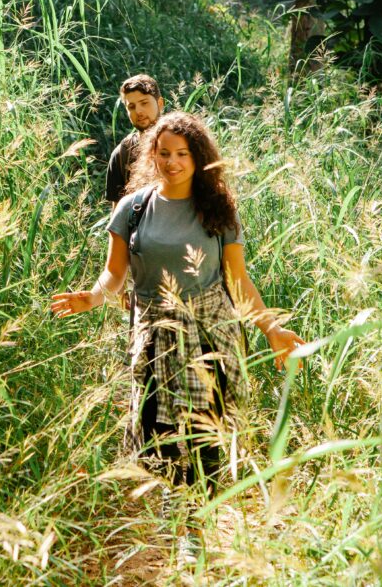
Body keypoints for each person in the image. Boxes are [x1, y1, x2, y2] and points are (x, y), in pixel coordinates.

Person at [52, 111, 304, 494]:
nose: (172, 162)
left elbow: (236, 279)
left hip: (209, 331)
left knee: (206, 434)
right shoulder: (132, 208)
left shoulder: (217, 209)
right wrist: (92, 296)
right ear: (152, 154)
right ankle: (176, 507)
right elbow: (115, 273)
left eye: (182, 154)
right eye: (164, 153)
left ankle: (196, 527)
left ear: (198, 158)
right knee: (159, 431)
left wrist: (271, 328)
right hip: (154, 331)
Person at [106, 74, 164, 206]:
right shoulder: (122, 154)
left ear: (160, 104)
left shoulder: (183, 144)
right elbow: (117, 214)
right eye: (131, 107)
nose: (138, 111)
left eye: (144, 103)